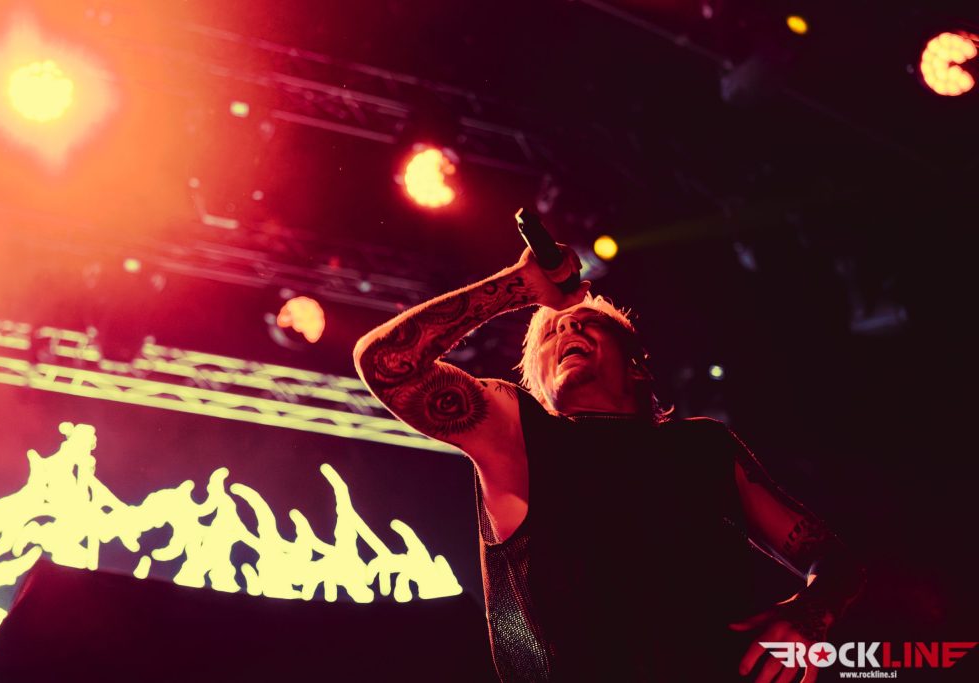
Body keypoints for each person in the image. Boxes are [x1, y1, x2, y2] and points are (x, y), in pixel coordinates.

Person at [336, 241, 864, 682]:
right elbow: (386, 363)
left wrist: (809, 613)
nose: (567, 330)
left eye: (586, 324)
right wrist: (521, 286)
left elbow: (833, 558)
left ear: (636, 366)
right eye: (552, 334)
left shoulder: (704, 446)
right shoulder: (520, 434)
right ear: (540, 384)